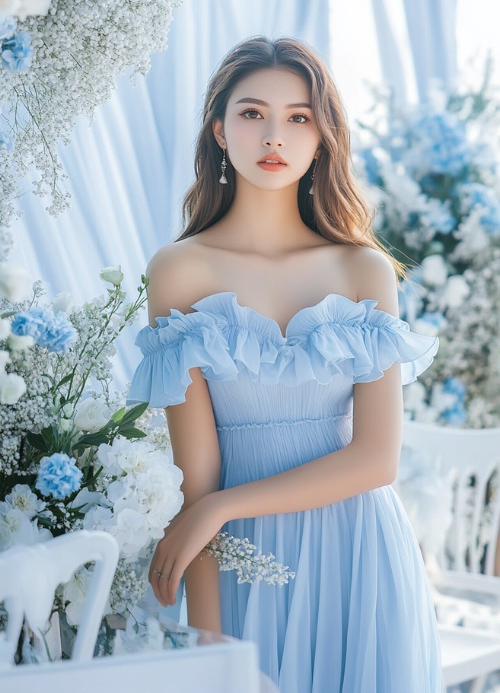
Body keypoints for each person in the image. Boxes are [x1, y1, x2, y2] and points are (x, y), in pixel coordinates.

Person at [127, 36, 443, 692]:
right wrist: (210, 643)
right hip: (242, 565)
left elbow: (376, 459)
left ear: (324, 136)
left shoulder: (363, 269)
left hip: (359, 557)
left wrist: (219, 509)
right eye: (252, 113)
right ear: (219, 129)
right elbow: (198, 478)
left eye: (299, 116)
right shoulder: (180, 270)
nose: (275, 134)